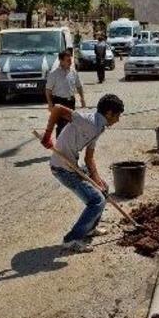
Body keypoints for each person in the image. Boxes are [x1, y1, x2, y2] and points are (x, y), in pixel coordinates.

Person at [40, 94, 125, 254]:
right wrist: (47, 135)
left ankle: (90, 228)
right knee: (96, 201)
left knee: (103, 189)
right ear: (108, 113)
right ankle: (71, 239)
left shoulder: (99, 127)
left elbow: (89, 157)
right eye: (117, 115)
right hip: (62, 168)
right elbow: (57, 109)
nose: (118, 120)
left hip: (73, 164)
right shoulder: (89, 121)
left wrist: (97, 180)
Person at [45, 50, 86, 136]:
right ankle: (60, 146)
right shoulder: (54, 73)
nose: (70, 62)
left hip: (71, 102)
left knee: (71, 123)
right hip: (59, 102)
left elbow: (79, 86)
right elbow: (48, 90)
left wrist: (82, 98)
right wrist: (50, 103)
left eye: (70, 60)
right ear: (61, 61)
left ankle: (69, 144)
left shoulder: (73, 72)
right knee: (61, 125)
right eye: (68, 60)